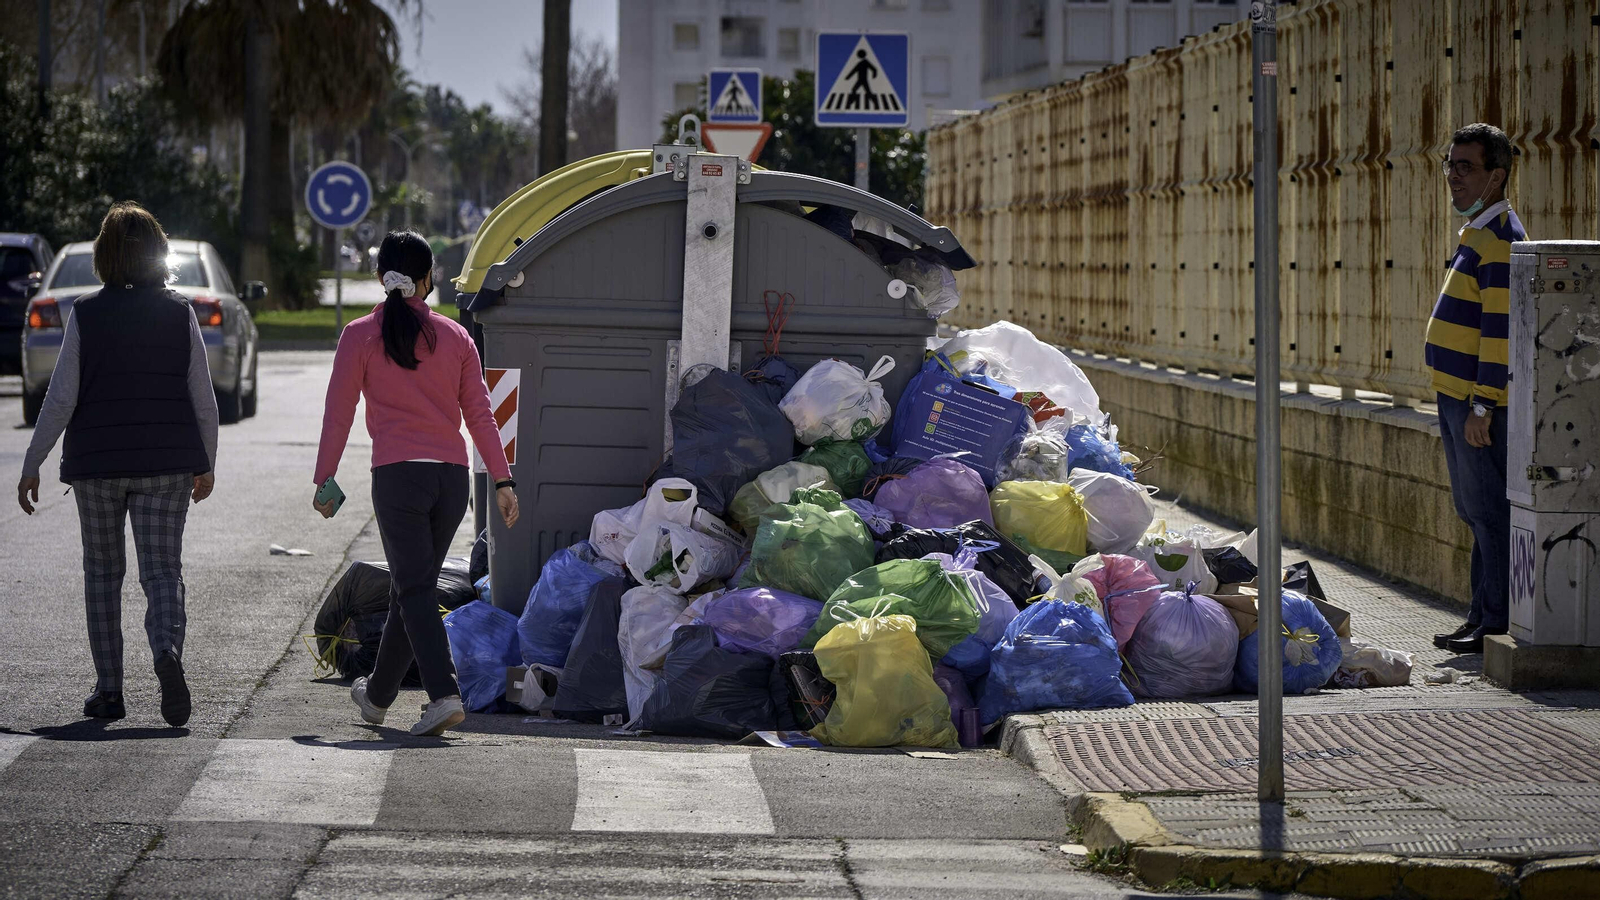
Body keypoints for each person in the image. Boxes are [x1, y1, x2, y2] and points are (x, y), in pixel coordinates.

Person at [15, 202, 218, 727]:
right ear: (158, 255)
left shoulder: (86, 313)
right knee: (162, 572)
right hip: (168, 465)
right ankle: (166, 650)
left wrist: (32, 462)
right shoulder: (180, 313)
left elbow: (60, 398)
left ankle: (109, 691)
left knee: (103, 576)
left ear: (104, 258)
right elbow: (203, 398)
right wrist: (206, 463)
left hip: (97, 467)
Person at [314, 230, 517, 737]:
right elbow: (482, 415)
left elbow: (338, 412)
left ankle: (443, 694)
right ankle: (378, 696)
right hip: (450, 481)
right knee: (415, 587)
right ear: (428, 279)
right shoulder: (455, 336)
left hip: (398, 477)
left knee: (415, 586)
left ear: (382, 277)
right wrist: (502, 479)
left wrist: (325, 477)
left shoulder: (359, 334)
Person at [1427, 123, 1526, 655]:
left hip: (1477, 402)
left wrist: (1483, 405)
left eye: (1466, 167)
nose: (1453, 178)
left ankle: (1493, 622)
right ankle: (1478, 618)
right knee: (1474, 511)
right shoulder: (1479, 233)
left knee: (1488, 511)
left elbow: (1500, 333)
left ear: (1496, 175)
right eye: (1450, 165)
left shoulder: (1501, 240)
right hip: (1457, 396)